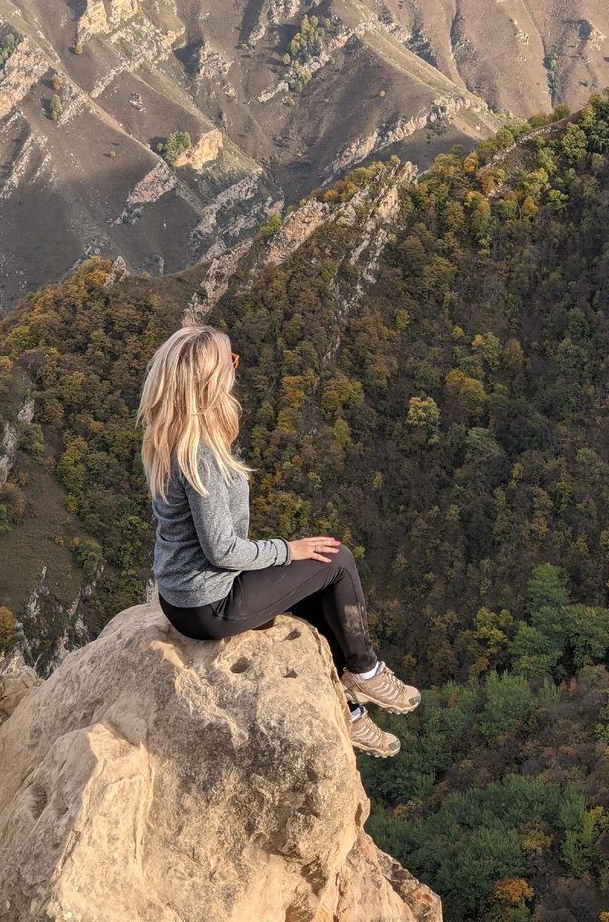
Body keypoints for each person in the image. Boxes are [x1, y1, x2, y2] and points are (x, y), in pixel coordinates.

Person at [137, 323, 420, 757]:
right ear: (212, 381)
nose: (236, 369)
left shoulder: (171, 435)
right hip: (209, 604)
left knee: (315, 596)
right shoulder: (201, 455)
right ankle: (364, 670)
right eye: (230, 362)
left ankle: (348, 710)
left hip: (182, 598)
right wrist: (290, 549)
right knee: (337, 560)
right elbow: (222, 550)